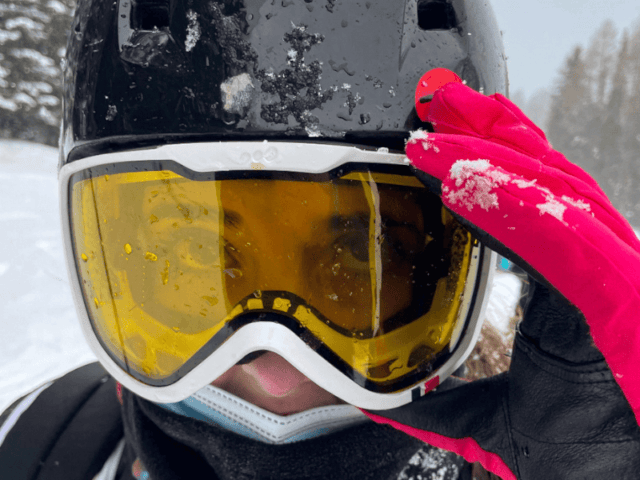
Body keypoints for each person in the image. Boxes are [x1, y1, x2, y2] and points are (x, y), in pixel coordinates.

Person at [1, 1, 639, 479]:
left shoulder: (573, 450)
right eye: (196, 256)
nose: (279, 379)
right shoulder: (38, 446)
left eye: (363, 255)